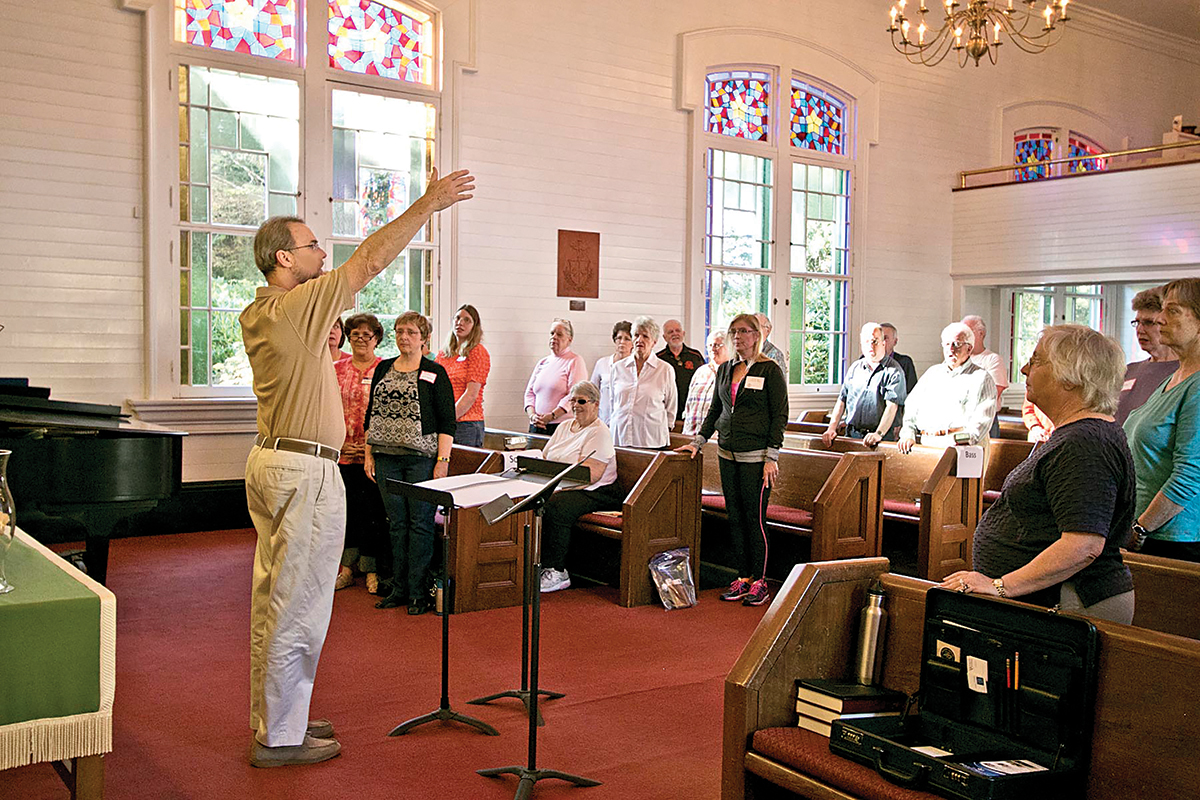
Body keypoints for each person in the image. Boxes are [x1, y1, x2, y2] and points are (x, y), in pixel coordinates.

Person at [240, 167, 473, 767]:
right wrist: (429, 202)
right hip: (303, 472)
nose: (323, 251)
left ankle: (280, 716)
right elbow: (369, 259)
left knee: (274, 600)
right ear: (286, 258)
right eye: (314, 244)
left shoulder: (260, 310)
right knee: (301, 602)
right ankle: (280, 738)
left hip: (271, 461)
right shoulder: (299, 305)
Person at [940, 325, 1135, 624]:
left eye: (1037, 360)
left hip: (1069, 602)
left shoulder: (1086, 443)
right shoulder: (1075, 436)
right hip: (1045, 599)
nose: (1024, 368)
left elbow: (1083, 545)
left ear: (1071, 376)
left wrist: (999, 586)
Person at [678, 313, 788, 608]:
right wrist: (698, 442)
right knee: (736, 519)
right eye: (734, 332)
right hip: (728, 453)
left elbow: (779, 416)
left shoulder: (769, 370)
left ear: (756, 335)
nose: (738, 337)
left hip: (757, 458)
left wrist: (771, 456)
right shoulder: (726, 369)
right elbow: (715, 410)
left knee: (755, 520)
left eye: (744, 331)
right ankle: (743, 577)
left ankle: (761, 581)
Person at [365, 312, 457, 613]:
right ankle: (399, 588)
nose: (404, 337)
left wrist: (442, 461)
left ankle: (418, 591)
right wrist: (369, 453)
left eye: (411, 332)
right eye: (399, 331)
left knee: (419, 524)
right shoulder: (382, 368)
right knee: (397, 525)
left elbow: (447, 422)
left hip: (421, 459)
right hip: (385, 457)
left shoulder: (434, 372)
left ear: (424, 338)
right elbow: (371, 414)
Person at [1124, 278, 1200, 563]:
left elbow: (1190, 475)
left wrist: (1141, 528)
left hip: (1175, 539)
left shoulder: (1197, 385)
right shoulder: (1175, 377)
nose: (1160, 319)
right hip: (1150, 530)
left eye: (1174, 311)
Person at [537, 381, 624, 593]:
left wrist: (557, 486)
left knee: (556, 507)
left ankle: (557, 570)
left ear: (595, 404)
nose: (576, 405)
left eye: (582, 401)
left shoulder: (599, 432)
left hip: (597, 491)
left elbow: (592, 475)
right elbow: (546, 456)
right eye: (573, 400)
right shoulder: (564, 426)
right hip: (561, 484)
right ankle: (534, 562)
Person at [334, 313, 388, 595]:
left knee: (373, 513)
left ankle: (372, 569)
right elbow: (326, 409)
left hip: (373, 454)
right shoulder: (336, 369)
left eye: (367, 335)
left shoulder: (386, 370)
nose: (361, 340)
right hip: (342, 453)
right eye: (355, 335)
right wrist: (339, 442)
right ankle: (345, 568)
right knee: (346, 512)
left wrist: (369, 446)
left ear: (377, 338)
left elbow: (387, 415)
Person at [898, 322, 997, 459]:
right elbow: (911, 407)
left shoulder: (981, 378)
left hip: (959, 448)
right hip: (926, 444)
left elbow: (980, 423)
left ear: (969, 348)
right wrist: (908, 434)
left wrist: (959, 442)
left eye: (956, 344)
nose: (950, 349)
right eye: (947, 344)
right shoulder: (932, 373)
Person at [821, 323, 907, 448]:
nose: (871, 346)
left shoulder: (894, 371)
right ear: (861, 344)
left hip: (880, 439)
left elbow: (891, 407)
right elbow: (842, 400)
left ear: (883, 343)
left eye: (875, 341)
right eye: (867, 342)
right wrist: (831, 428)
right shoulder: (855, 368)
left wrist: (878, 434)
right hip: (852, 435)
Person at [609, 316, 678, 448]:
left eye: (645, 336)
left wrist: (666, 428)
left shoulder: (665, 369)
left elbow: (671, 406)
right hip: (620, 437)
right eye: (636, 335)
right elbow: (613, 403)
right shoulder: (618, 368)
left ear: (654, 342)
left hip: (651, 439)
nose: (640, 340)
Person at [1116, 286, 1179, 425]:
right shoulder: (1128, 371)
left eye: (1149, 323)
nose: (1140, 330)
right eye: (1137, 322)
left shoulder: (1183, 374)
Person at [435, 304, 490, 447]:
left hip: (467, 424)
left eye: (467, 320)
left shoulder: (477, 352)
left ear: (475, 326)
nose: (460, 323)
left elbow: (471, 394)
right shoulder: (443, 354)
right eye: (457, 318)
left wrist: (449, 419)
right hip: (444, 421)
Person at [524, 318, 587, 435]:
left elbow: (574, 395)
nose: (554, 337)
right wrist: (532, 415)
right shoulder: (543, 362)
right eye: (552, 333)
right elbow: (529, 393)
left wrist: (552, 416)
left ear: (569, 339)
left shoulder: (575, 361)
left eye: (559, 334)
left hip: (560, 426)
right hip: (537, 424)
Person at [962, 315, 1008, 437]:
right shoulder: (958, 359)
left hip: (985, 419)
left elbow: (994, 392)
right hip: (960, 419)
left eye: (968, 332)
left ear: (981, 333)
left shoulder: (992, 359)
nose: (964, 337)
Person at [681, 330, 729, 436]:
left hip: (714, 437)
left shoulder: (732, 373)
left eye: (717, 345)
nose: (712, 349)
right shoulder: (700, 372)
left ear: (729, 347)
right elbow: (689, 405)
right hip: (691, 434)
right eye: (709, 345)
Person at [657, 319, 706, 421]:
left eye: (677, 331)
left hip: (691, 413)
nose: (675, 334)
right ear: (664, 337)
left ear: (683, 334)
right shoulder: (658, 359)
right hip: (665, 414)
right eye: (670, 332)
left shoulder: (695, 356)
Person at [590, 321, 633, 426]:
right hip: (603, 421)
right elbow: (592, 393)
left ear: (633, 343)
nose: (622, 342)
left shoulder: (636, 366)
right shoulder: (602, 363)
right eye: (619, 338)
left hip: (626, 423)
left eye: (627, 339)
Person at [880, 322, 918, 392]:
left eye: (885, 338)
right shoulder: (864, 361)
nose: (882, 342)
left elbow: (911, 392)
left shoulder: (905, 362)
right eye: (879, 338)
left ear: (895, 342)